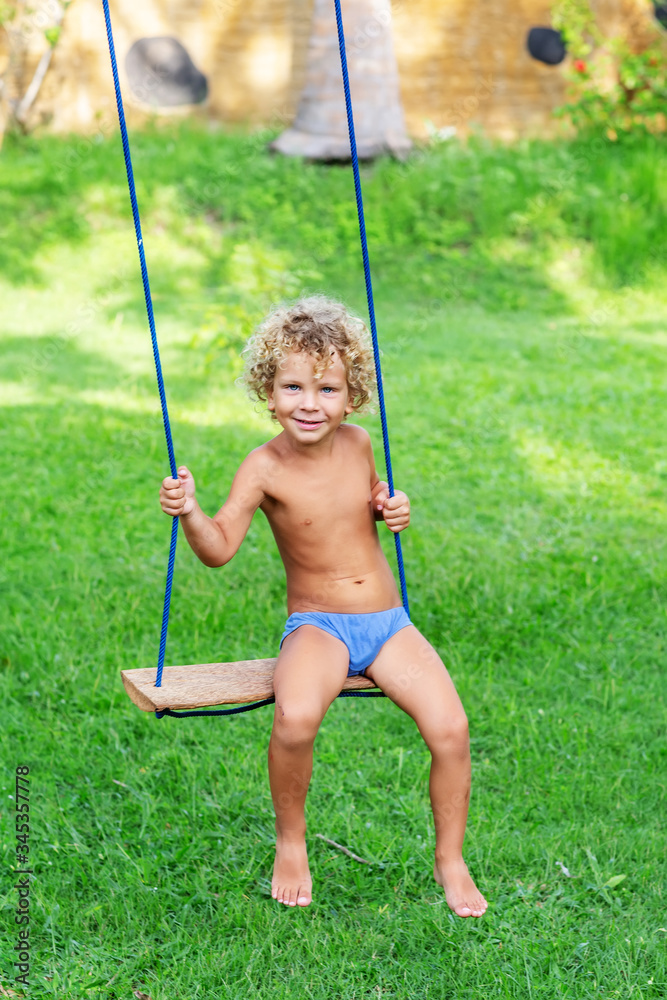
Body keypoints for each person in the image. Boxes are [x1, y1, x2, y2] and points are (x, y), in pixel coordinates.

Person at [159, 296, 487, 917]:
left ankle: (450, 859)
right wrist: (191, 513)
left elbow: (370, 501)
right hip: (319, 627)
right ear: (268, 390)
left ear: (352, 395)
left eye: (328, 389)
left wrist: (393, 506)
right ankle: (291, 842)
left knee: (452, 730)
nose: (310, 403)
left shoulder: (361, 444)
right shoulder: (263, 467)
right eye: (293, 386)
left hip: (389, 625)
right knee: (295, 718)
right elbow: (219, 548)